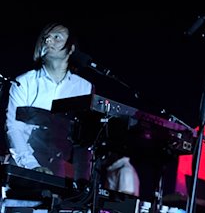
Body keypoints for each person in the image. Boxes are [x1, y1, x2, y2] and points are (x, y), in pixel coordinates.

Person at [4, 22, 140, 197]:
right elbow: (14, 128)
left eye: (56, 37)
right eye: (45, 36)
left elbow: (83, 141)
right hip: (24, 169)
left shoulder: (84, 87)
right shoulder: (24, 82)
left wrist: (82, 180)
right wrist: (31, 165)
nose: (48, 40)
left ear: (71, 49)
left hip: (59, 172)